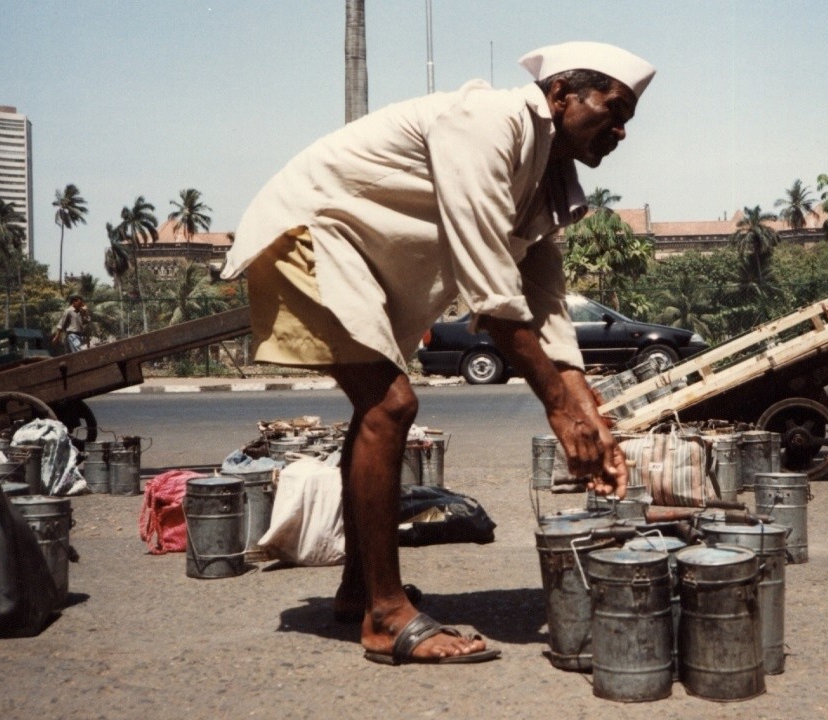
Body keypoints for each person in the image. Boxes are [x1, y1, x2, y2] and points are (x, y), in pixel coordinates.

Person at [221, 41, 649, 664]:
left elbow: (546, 302)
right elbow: (494, 298)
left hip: (353, 256)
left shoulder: (549, 166)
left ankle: (358, 591)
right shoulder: (487, 124)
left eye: (628, 118)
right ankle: (386, 616)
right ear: (560, 95)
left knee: (380, 408)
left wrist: (590, 415)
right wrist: (558, 412)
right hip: (310, 234)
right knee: (390, 406)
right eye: (611, 109)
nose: (620, 129)